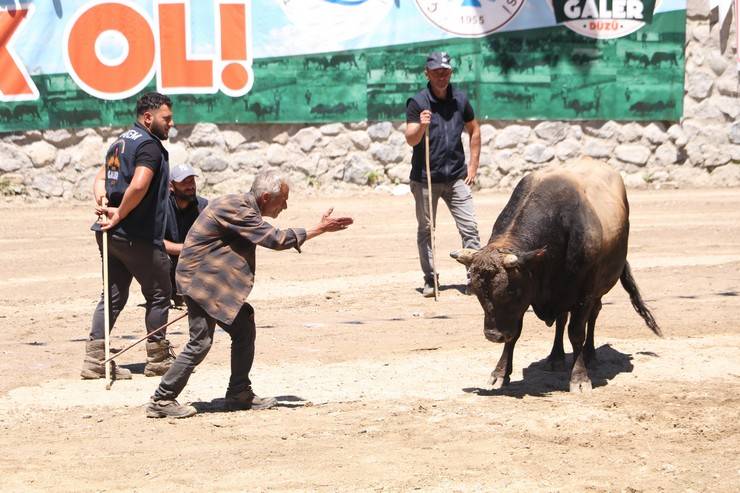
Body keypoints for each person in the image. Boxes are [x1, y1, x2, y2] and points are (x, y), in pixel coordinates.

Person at [146, 169, 354, 418]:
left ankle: (239, 393)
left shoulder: (241, 206)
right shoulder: (237, 208)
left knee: (243, 324)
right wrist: (319, 229)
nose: (285, 207)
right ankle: (162, 399)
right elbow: (274, 239)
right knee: (200, 342)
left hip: (211, 282)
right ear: (266, 197)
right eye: (283, 200)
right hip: (200, 283)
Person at [81, 92, 176, 380]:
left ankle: (95, 361)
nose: (171, 124)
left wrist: (102, 202)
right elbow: (139, 185)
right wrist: (120, 213)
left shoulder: (120, 143)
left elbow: (100, 179)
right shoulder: (149, 146)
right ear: (148, 118)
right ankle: (158, 359)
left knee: (112, 296)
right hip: (137, 235)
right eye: (166, 118)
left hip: (109, 234)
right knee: (160, 294)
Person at [404, 51, 482, 297]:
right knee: (426, 230)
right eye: (437, 72)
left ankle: (475, 278)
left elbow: (474, 130)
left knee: (469, 227)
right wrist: (422, 125)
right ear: (427, 73)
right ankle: (430, 279)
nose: (442, 76)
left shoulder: (460, 99)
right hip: (425, 178)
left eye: (446, 72)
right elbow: (411, 138)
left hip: (456, 176)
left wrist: (473, 167)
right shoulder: (418, 102)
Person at [163, 163, 208, 307]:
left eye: (192, 181)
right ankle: (164, 295)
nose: (190, 186)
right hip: (169, 258)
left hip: (194, 259)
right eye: (184, 182)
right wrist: (185, 248)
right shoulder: (160, 207)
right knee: (159, 257)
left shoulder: (204, 206)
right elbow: (154, 241)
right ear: (171, 186)